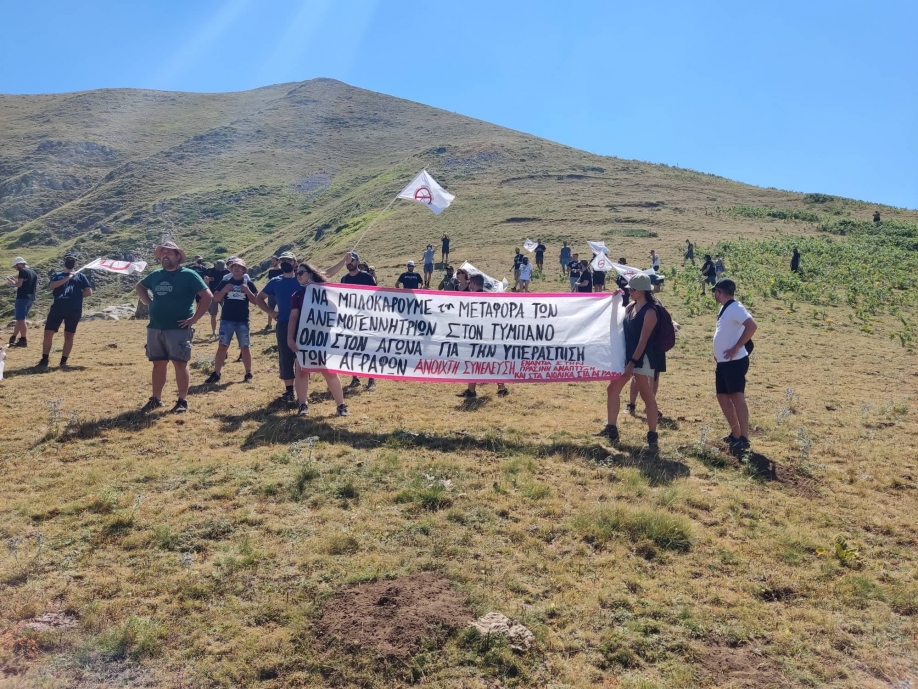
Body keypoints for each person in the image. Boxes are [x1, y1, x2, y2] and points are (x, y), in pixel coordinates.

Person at [135, 241, 212, 413]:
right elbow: (140, 286)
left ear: (178, 256)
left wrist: (194, 319)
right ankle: (156, 399)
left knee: (180, 363)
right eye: (163, 252)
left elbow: (207, 296)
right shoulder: (155, 275)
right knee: (158, 364)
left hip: (178, 328)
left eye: (169, 253)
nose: (165, 255)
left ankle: (182, 400)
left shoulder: (189, 275)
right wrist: (149, 303)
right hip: (155, 327)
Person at [596, 274, 661, 449]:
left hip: (642, 357)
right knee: (612, 389)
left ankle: (652, 435)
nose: (629, 292)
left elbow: (643, 340)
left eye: (632, 289)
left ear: (643, 290)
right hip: (627, 356)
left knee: (647, 395)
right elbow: (618, 321)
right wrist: (615, 299)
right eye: (628, 289)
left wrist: (632, 362)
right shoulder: (631, 306)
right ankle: (611, 427)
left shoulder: (651, 311)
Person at [288, 263, 348, 417]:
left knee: (329, 371)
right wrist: (290, 338)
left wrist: (343, 260)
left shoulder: (326, 292)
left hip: (323, 339)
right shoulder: (297, 295)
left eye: (301, 272)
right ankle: (302, 405)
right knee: (301, 371)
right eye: (296, 273)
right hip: (303, 339)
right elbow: (293, 317)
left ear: (311, 274)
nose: (298, 275)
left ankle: (341, 406)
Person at [712, 279, 757, 456]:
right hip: (723, 362)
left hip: (735, 361)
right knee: (722, 396)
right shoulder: (725, 308)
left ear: (719, 292)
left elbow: (752, 326)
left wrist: (737, 347)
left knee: (737, 396)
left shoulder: (736, 307)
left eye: (714, 292)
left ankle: (744, 438)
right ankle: (735, 433)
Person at [326, 251, 378, 392]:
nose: (350, 263)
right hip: (350, 320)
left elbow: (376, 296)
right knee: (352, 349)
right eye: (347, 261)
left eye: (352, 260)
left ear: (357, 261)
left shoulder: (367, 277)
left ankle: (371, 379)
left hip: (366, 319)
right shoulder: (344, 279)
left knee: (368, 349)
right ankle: (355, 377)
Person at [255, 252, 300, 404]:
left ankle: (302, 392)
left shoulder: (302, 279)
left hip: (304, 324)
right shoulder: (275, 281)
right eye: (283, 260)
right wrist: (271, 312)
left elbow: (324, 276)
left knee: (302, 357)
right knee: (285, 357)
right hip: (283, 324)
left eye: (288, 260)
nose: (285, 262)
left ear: (295, 263)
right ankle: (289, 392)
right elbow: (259, 298)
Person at [205, 259, 257, 384]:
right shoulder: (225, 281)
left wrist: (247, 291)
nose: (236, 269)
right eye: (234, 267)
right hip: (226, 320)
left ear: (244, 270)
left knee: (245, 347)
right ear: (231, 269)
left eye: (239, 267)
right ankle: (216, 373)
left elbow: (256, 301)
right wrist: (224, 290)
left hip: (242, 320)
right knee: (222, 346)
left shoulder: (248, 283)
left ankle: (248, 373)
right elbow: (216, 299)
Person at [457, 275, 508, 399]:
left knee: (474, 362)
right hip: (489, 335)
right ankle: (500, 389)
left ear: (473, 284)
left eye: (470, 284)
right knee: (492, 361)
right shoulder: (490, 298)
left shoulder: (473, 298)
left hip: (478, 336)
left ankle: (472, 391)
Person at [38, 256, 93, 369]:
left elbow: (88, 292)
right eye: (68, 261)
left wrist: (76, 297)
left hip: (74, 309)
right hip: (57, 308)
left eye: (72, 261)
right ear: (64, 263)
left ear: (74, 264)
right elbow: (52, 286)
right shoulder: (57, 275)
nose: (70, 262)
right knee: (48, 333)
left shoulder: (81, 276)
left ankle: (63, 361)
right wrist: (67, 278)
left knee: (69, 334)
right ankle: (44, 359)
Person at [7, 257, 38, 348]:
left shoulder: (22, 271)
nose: (15, 268)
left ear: (18, 264)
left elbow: (19, 285)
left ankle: (23, 339)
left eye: (15, 266)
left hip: (22, 298)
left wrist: (12, 281)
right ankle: (13, 337)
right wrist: (15, 280)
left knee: (21, 319)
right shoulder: (33, 272)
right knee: (20, 319)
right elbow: (25, 284)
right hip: (30, 298)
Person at [205, 259, 226, 337]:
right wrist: (207, 279)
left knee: (224, 313)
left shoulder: (226, 272)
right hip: (213, 295)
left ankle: (223, 330)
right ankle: (214, 331)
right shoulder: (210, 271)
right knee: (213, 314)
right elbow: (205, 278)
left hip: (224, 295)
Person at [264, 256, 283, 331]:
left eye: (273, 261)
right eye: (271, 261)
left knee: (281, 309)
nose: (272, 263)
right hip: (272, 293)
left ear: (278, 261)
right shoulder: (270, 272)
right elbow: (269, 282)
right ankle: (269, 325)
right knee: (270, 308)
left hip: (280, 293)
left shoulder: (282, 271)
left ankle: (279, 324)